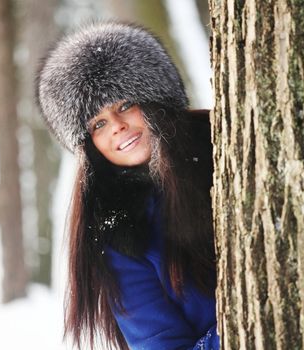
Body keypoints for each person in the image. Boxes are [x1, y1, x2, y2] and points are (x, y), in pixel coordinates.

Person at [36, 21, 219, 350]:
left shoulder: (223, 145)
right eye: (99, 123)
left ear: (154, 101)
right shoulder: (120, 232)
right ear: (89, 145)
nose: (118, 127)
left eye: (124, 105)